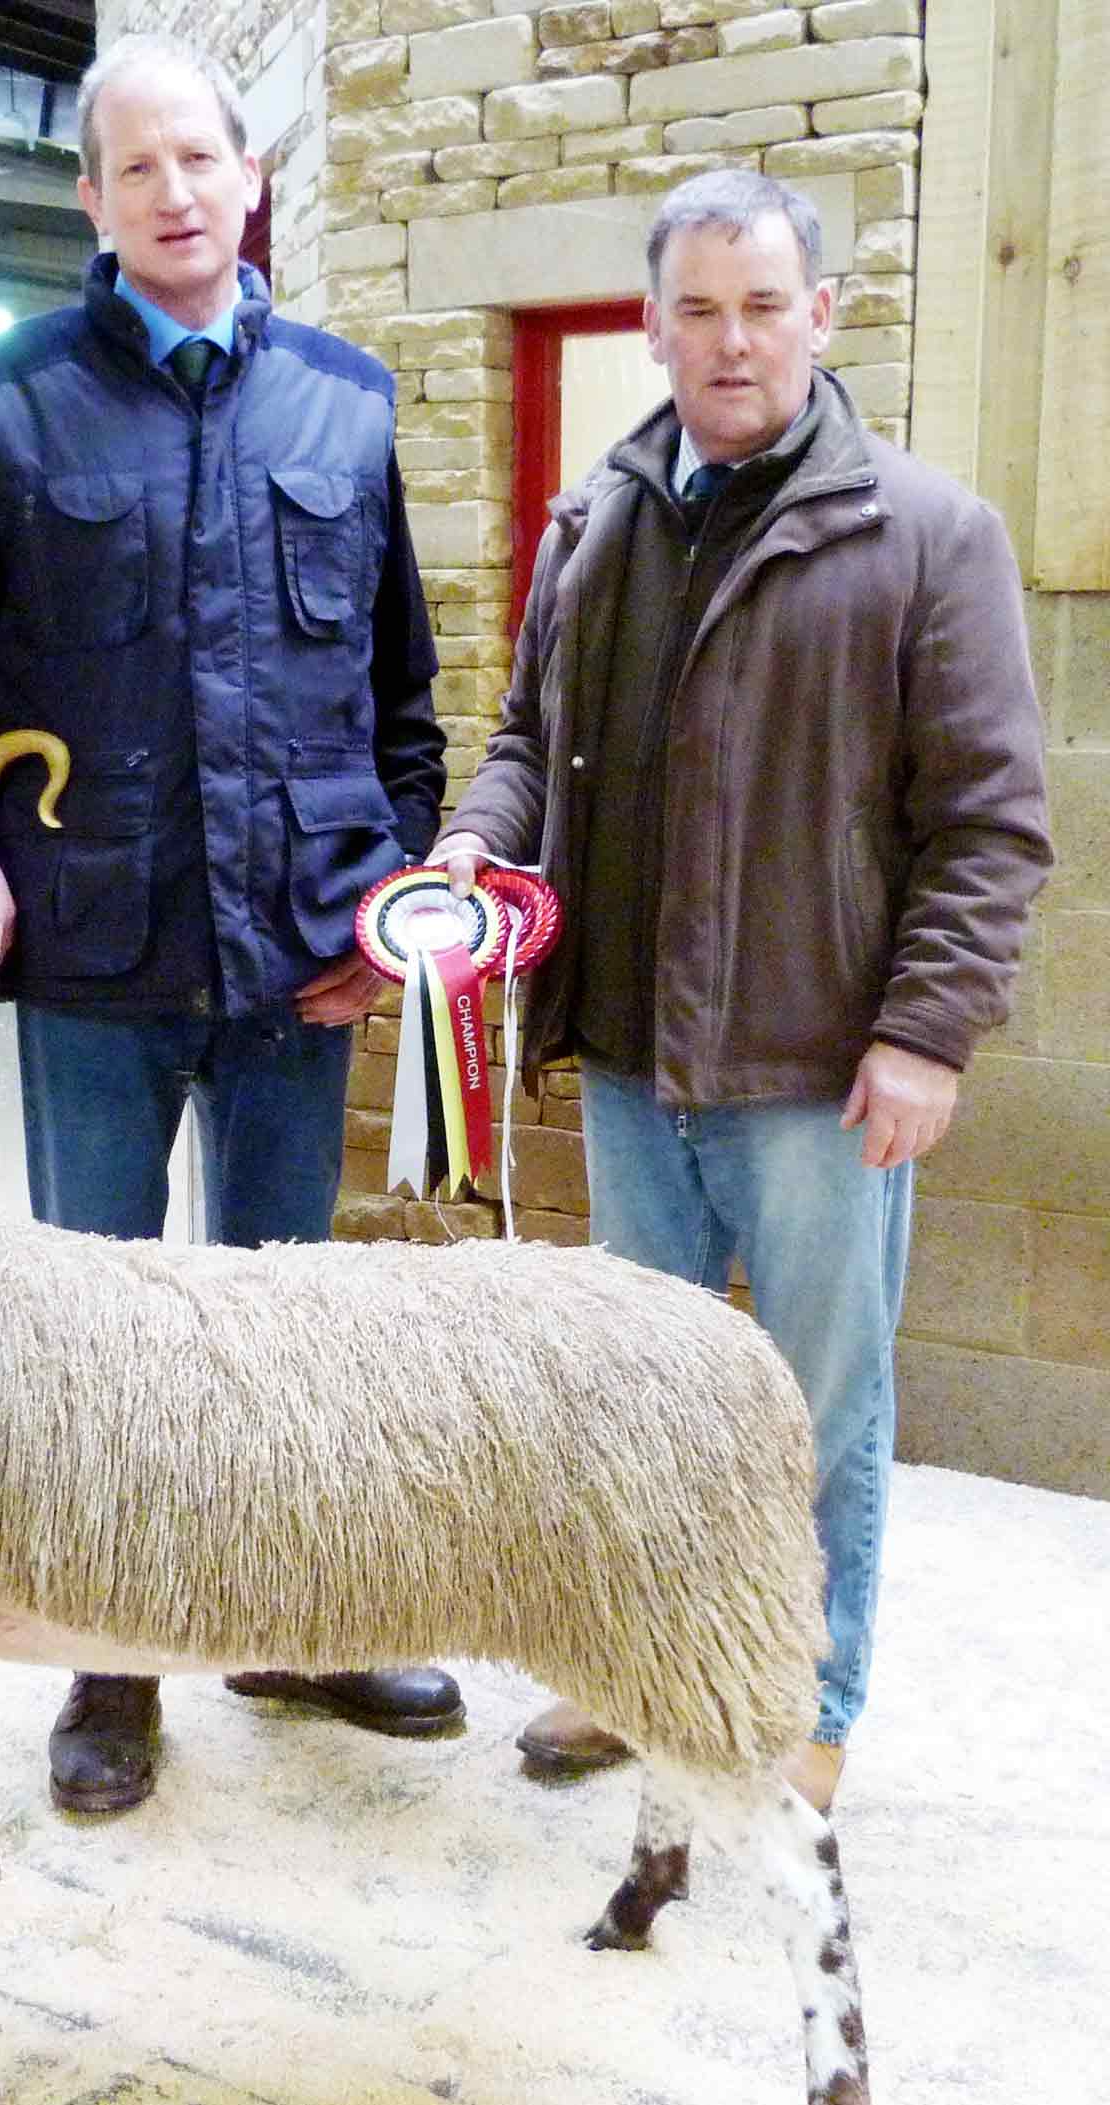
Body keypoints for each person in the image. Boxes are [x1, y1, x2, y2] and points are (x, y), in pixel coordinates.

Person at [0, 32, 465, 1815]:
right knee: (105, 1333)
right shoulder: (6, 400)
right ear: (90, 198)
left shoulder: (349, 403)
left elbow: (406, 707)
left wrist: (405, 881)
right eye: (134, 168)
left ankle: (290, 1617)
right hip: (97, 953)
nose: (175, 191)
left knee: (283, 1327)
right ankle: (115, 1656)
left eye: (200, 158)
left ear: (252, 172)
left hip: (304, 948)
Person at [432, 168, 1052, 1814]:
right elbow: (522, 752)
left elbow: (989, 823)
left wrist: (928, 1033)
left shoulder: (931, 537)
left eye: (762, 305)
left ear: (820, 315)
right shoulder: (595, 526)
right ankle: (646, 1673)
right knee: (639, 1411)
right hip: (632, 1068)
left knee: (819, 1411)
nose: (729, 341)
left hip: (816, 1076)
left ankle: (804, 1696)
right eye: (695, 310)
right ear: (653, 327)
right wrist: (471, 862)